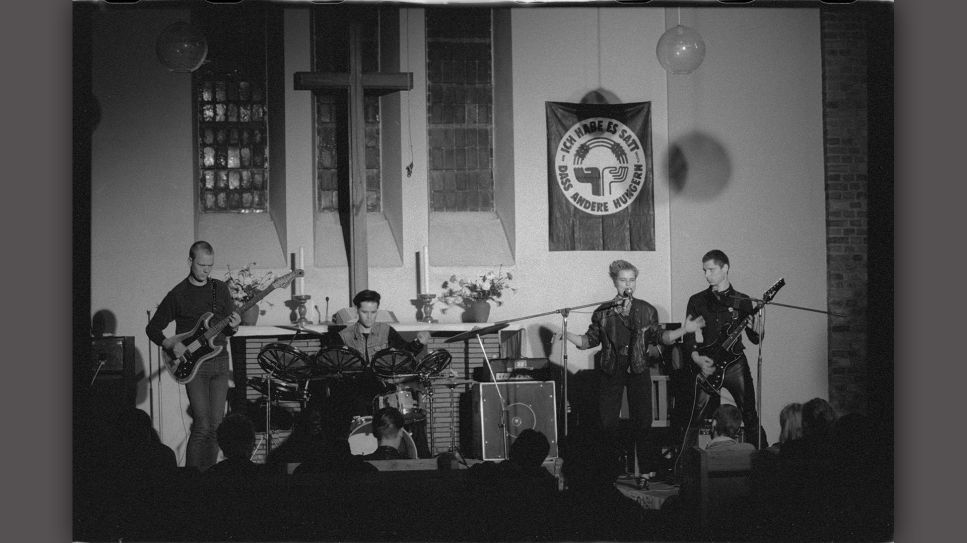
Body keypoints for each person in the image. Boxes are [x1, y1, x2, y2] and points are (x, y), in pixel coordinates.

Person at [564, 260, 704, 476]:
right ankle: (608, 468)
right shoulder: (603, 312)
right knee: (607, 422)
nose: (628, 284)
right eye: (623, 280)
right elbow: (588, 341)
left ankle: (645, 472)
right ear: (614, 282)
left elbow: (662, 337)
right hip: (612, 367)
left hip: (638, 366)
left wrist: (685, 330)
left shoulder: (646, 310)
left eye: (632, 280)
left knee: (643, 422)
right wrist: (566, 335)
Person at [146, 241, 241, 471]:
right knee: (202, 425)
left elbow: (227, 326)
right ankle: (190, 483)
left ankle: (207, 479)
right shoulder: (178, 294)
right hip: (194, 366)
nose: (206, 270)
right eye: (201, 265)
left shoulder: (219, 288)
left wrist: (234, 327)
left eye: (210, 265)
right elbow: (153, 329)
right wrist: (170, 344)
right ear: (190, 261)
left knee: (217, 426)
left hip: (220, 360)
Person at [318, 289, 432, 456]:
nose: (369, 317)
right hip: (355, 391)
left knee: (414, 415)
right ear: (356, 310)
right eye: (364, 312)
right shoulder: (343, 336)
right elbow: (333, 363)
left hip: (383, 390)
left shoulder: (386, 331)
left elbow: (404, 355)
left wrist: (418, 343)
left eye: (373, 312)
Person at [681, 250, 767, 449]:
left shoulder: (743, 300)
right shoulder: (697, 300)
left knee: (750, 414)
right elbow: (689, 335)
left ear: (725, 268)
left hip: (735, 363)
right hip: (708, 363)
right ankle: (685, 470)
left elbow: (755, 339)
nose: (706, 275)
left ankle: (762, 461)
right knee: (694, 417)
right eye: (704, 270)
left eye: (711, 269)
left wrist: (759, 330)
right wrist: (696, 358)